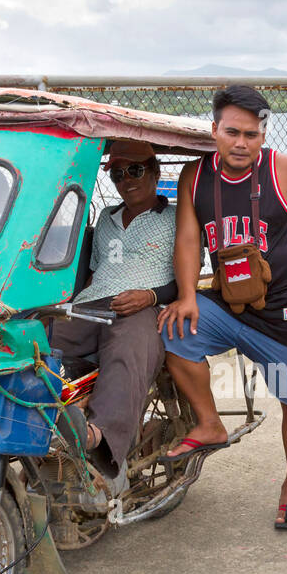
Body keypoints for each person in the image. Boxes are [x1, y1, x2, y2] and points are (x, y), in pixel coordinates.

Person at [157, 85, 287, 530]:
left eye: (252, 134)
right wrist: (184, 295)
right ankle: (210, 422)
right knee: (173, 330)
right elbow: (188, 240)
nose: (241, 143)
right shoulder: (194, 176)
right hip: (230, 304)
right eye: (232, 132)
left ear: (262, 134)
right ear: (214, 130)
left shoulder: (284, 170)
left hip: (286, 312)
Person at [49, 139, 177, 478]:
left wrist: (149, 296)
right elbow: (94, 273)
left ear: (154, 171)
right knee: (35, 338)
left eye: (134, 171)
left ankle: (97, 436)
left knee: (127, 350)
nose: (126, 180)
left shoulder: (176, 217)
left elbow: (188, 277)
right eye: (117, 175)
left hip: (144, 307)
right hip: (93, 303)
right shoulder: (106, 218)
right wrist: (64, 308)